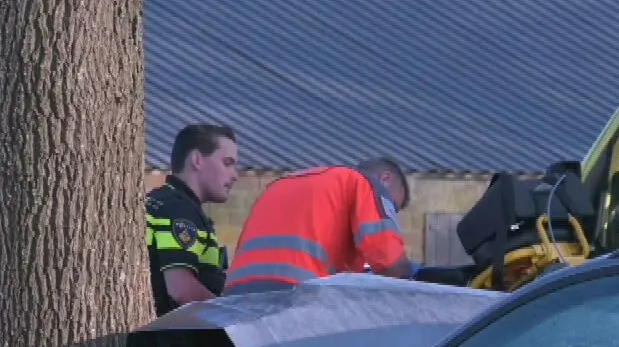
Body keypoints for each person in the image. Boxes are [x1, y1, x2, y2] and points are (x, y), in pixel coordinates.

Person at [222, 157, 417, 294]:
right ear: (385, 179)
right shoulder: (364, 184)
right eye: (392, 207)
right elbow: (391, 266)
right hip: (295, 297)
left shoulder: (281, 184)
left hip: (237, 295)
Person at [147, 123, 240, 316]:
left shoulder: (167, 202)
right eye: (227, 163)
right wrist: (231, 317)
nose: (235, 175)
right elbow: (180, 289)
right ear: (197, 160)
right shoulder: (177, 209)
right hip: (168, 342)